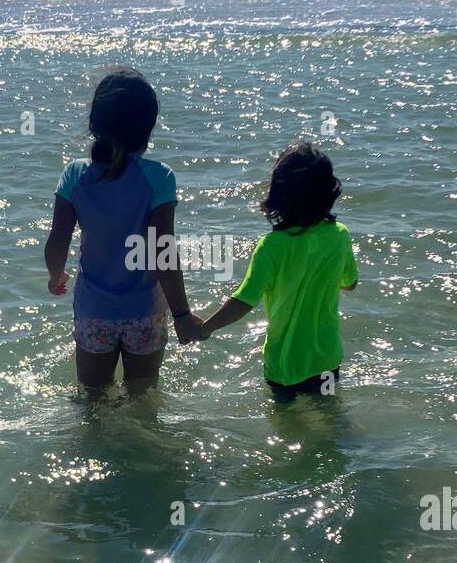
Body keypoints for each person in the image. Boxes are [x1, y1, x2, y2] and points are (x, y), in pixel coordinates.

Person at [44, 67, 203, 393]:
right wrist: (182, 314)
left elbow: (58, 239)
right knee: (142, 398)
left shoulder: (75, 175)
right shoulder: (159, 177)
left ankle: (95, 445)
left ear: (95, 123)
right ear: (147, 127)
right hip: (144, 311)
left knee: (93, 398)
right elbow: (163, 253)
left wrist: (55, 274)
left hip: (94, 312)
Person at [199, 141, 357, 399]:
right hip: (327, 359)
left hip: (285, 363)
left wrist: (205, 328)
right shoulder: (339, 235)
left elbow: (243, 301)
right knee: (329, 416)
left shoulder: (272, 246)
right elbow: (349, 283)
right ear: (329, 192)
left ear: (279, 196)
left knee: (286, 424)